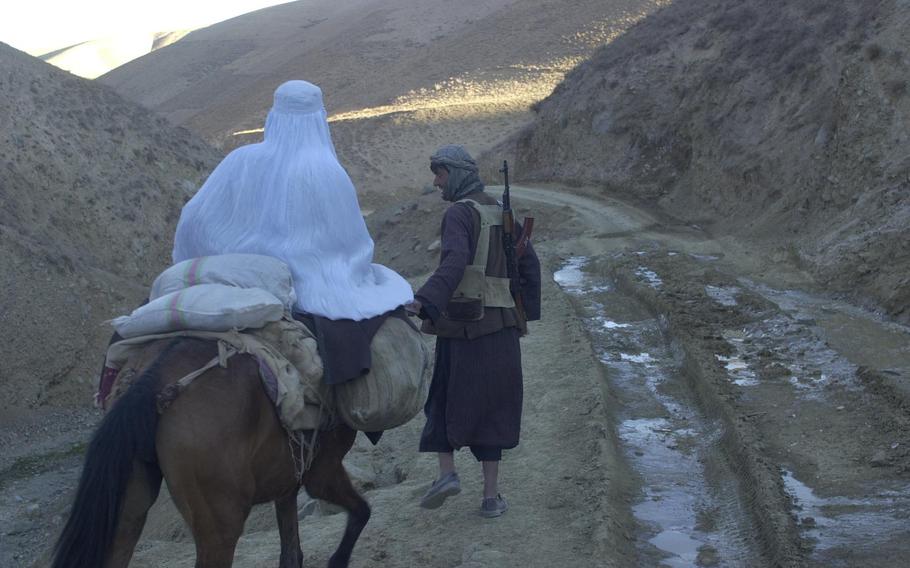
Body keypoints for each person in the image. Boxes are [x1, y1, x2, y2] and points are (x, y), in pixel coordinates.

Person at [97, 80, 413, 408]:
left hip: (232, 276)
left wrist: (214, 257)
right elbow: (348, 246)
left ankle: (105, 396)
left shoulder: (240, 159)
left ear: (273, 117)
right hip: (301, 291)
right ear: (319, 119)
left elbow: (194, 217)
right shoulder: (325, 171)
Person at [407, 144, 541, 518]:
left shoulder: (459, 215)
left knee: (444, 401)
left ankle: (447, 474)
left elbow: (454, 262)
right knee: (494, 410)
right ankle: (490, 498)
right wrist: (524, 315)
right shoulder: (501, 213)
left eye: (440, 173)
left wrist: (424, 302)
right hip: (501, 331)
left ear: (456, 173)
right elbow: (529, 264)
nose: (436, 182)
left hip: (462, 327)